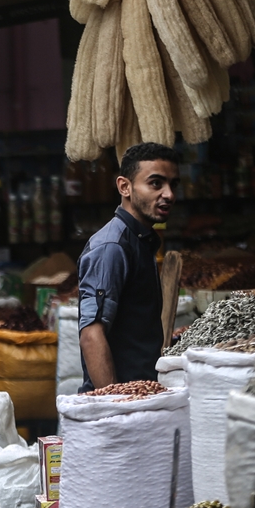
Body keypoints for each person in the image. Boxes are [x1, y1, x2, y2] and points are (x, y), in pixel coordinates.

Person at [78, 142, 179, 391]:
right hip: (121, 401)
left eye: (172, 184)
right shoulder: (112, 247)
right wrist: (116, 404)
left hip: (142, 395)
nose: (169, 194)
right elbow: (91, 335)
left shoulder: (140, 241)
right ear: (125, 187)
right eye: (156, 183)